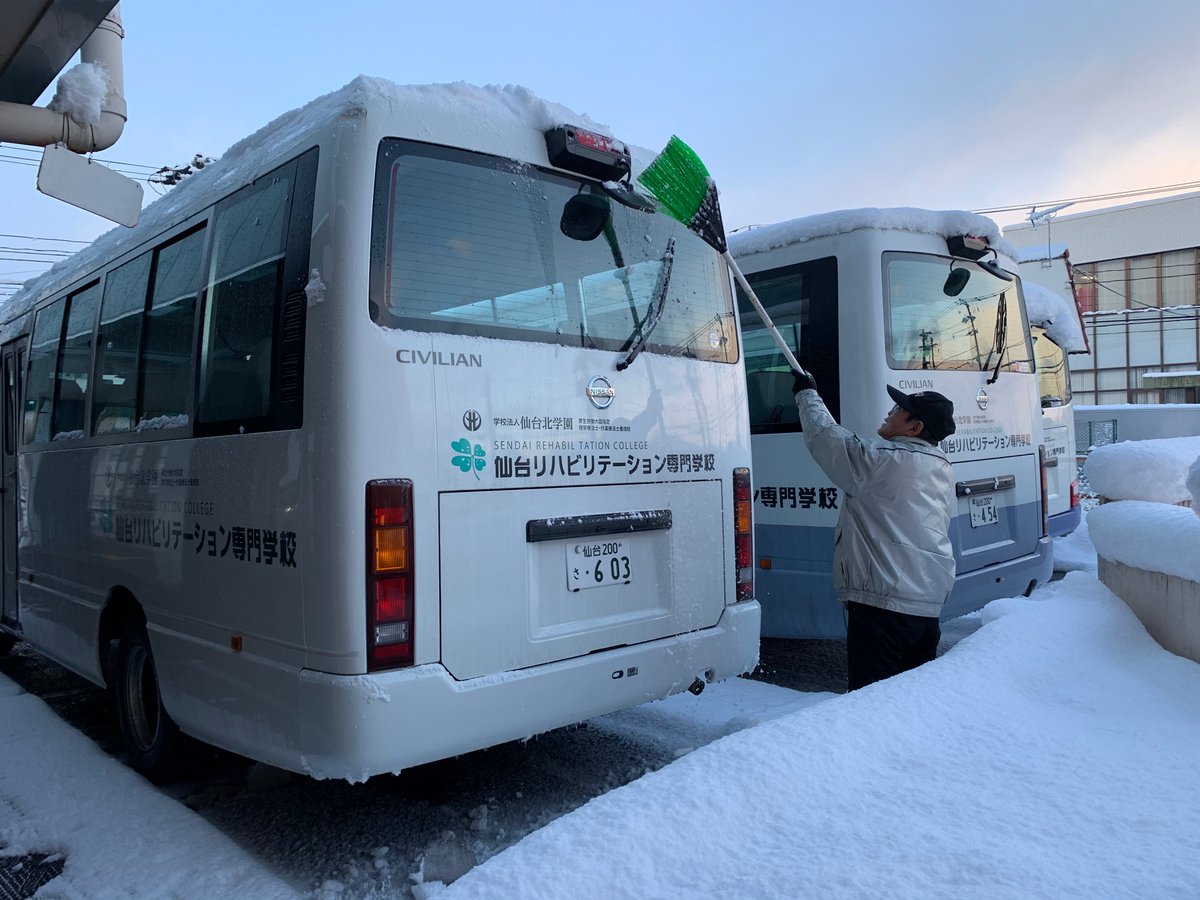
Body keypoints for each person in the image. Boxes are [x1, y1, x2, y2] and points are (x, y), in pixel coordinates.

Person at [791, 367, 957, 691]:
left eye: (898, 409)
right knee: (912, 698)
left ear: (915, 426)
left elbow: (826, 437)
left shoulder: (879, 460)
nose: (889, 411)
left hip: (883, 608)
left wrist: (806, 394)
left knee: (871, 704)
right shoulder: (940, 465)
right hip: (927, 608)